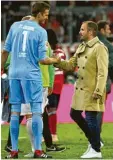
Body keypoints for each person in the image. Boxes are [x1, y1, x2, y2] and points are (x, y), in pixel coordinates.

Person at [1, 2, 60, 159]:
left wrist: (1, 68)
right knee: (36, 113)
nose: (46, 17)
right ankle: (38, 151)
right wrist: (55, 59)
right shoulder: (41, 32)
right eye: (46, 14)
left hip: (14, 74)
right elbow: (42, 60)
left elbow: (5, 51)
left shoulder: (14, 26)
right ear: (39, 14)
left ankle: (13, 151)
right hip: (31, 75)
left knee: (15, 112)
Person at [55, 21, 108, 158]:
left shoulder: (99, 48)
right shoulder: (81, 46)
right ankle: (95, 141)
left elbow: (103, 72)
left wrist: (98, 90)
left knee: (90, 117)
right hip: (80, 89)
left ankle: (96, 150)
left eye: (82, 29)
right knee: (74, 114)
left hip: (92, 89)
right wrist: (55, 61)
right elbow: (70, 65)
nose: (80, 32)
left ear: (90, 32)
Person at [46, 29, 66, 142]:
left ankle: (52, 134)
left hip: (52, 83)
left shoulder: (53, 52)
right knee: (51, 109)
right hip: (56, 83)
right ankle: (51, 134)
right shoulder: (59, 52)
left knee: (50, 109)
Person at [97, 20, 113, 143]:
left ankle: (93, 135)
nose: (109, 31)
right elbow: (111, 65)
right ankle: (96, 137)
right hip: (103, 82)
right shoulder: (108, 45)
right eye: (108, 29)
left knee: (92, 110)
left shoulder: (89, 43)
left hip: (89, 81)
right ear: (102, 30)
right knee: (99, 109)